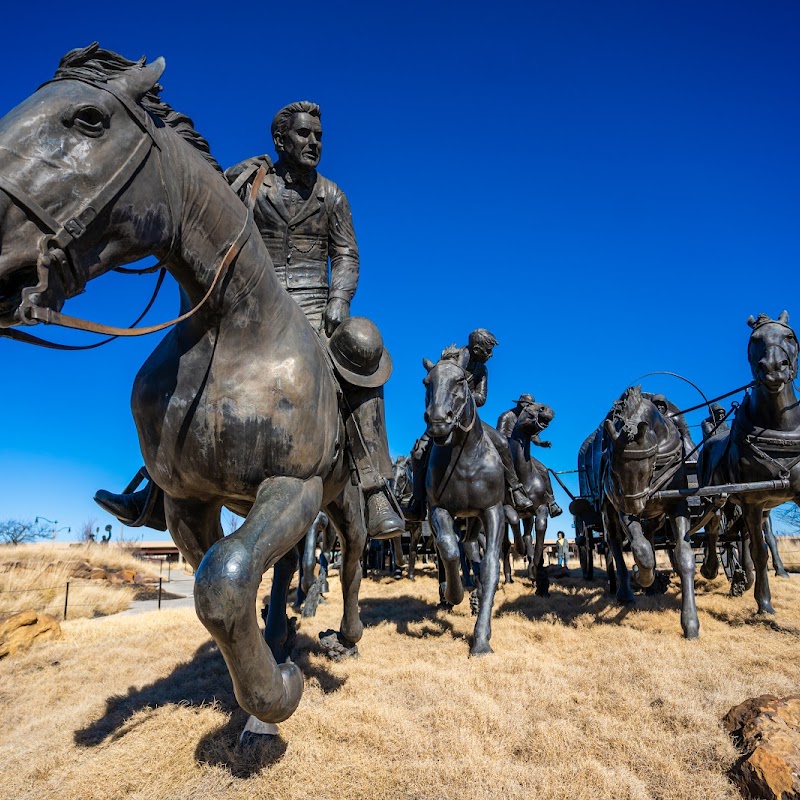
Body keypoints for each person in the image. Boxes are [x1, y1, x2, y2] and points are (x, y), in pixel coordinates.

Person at [95, 101, 403, 540]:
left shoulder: (332, 195)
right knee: (181, 360)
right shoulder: (253, 185)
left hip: (316, 304)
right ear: (280, 140)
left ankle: (373, 485)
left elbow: (347, 254)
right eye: (304, 134)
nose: (314, 142)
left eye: (318, 135)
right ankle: (157, 489)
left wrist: (339, 299)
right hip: (254, 300)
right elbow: (210, 218)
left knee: (366, 344)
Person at [404, 329, 534, 521]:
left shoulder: (481, 369)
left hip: (469, 419)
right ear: (476, 348)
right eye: (488, 351)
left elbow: (481, 398)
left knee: (502, 443)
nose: (491, 355)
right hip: (445, 417)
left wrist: (464, 397)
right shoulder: (450, 362)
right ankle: (418, 500)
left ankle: (515, 489)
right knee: (417, 453)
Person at [497, 394, 562, 517]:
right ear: (520, 403)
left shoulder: (529, 418)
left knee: (543, 470)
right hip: (506, 452)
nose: (529, 407)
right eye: (527, 404)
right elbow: (499, 436)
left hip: (522, 451)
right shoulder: (506, 416)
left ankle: (551, 502)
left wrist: (541, 443)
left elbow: (534, 436)